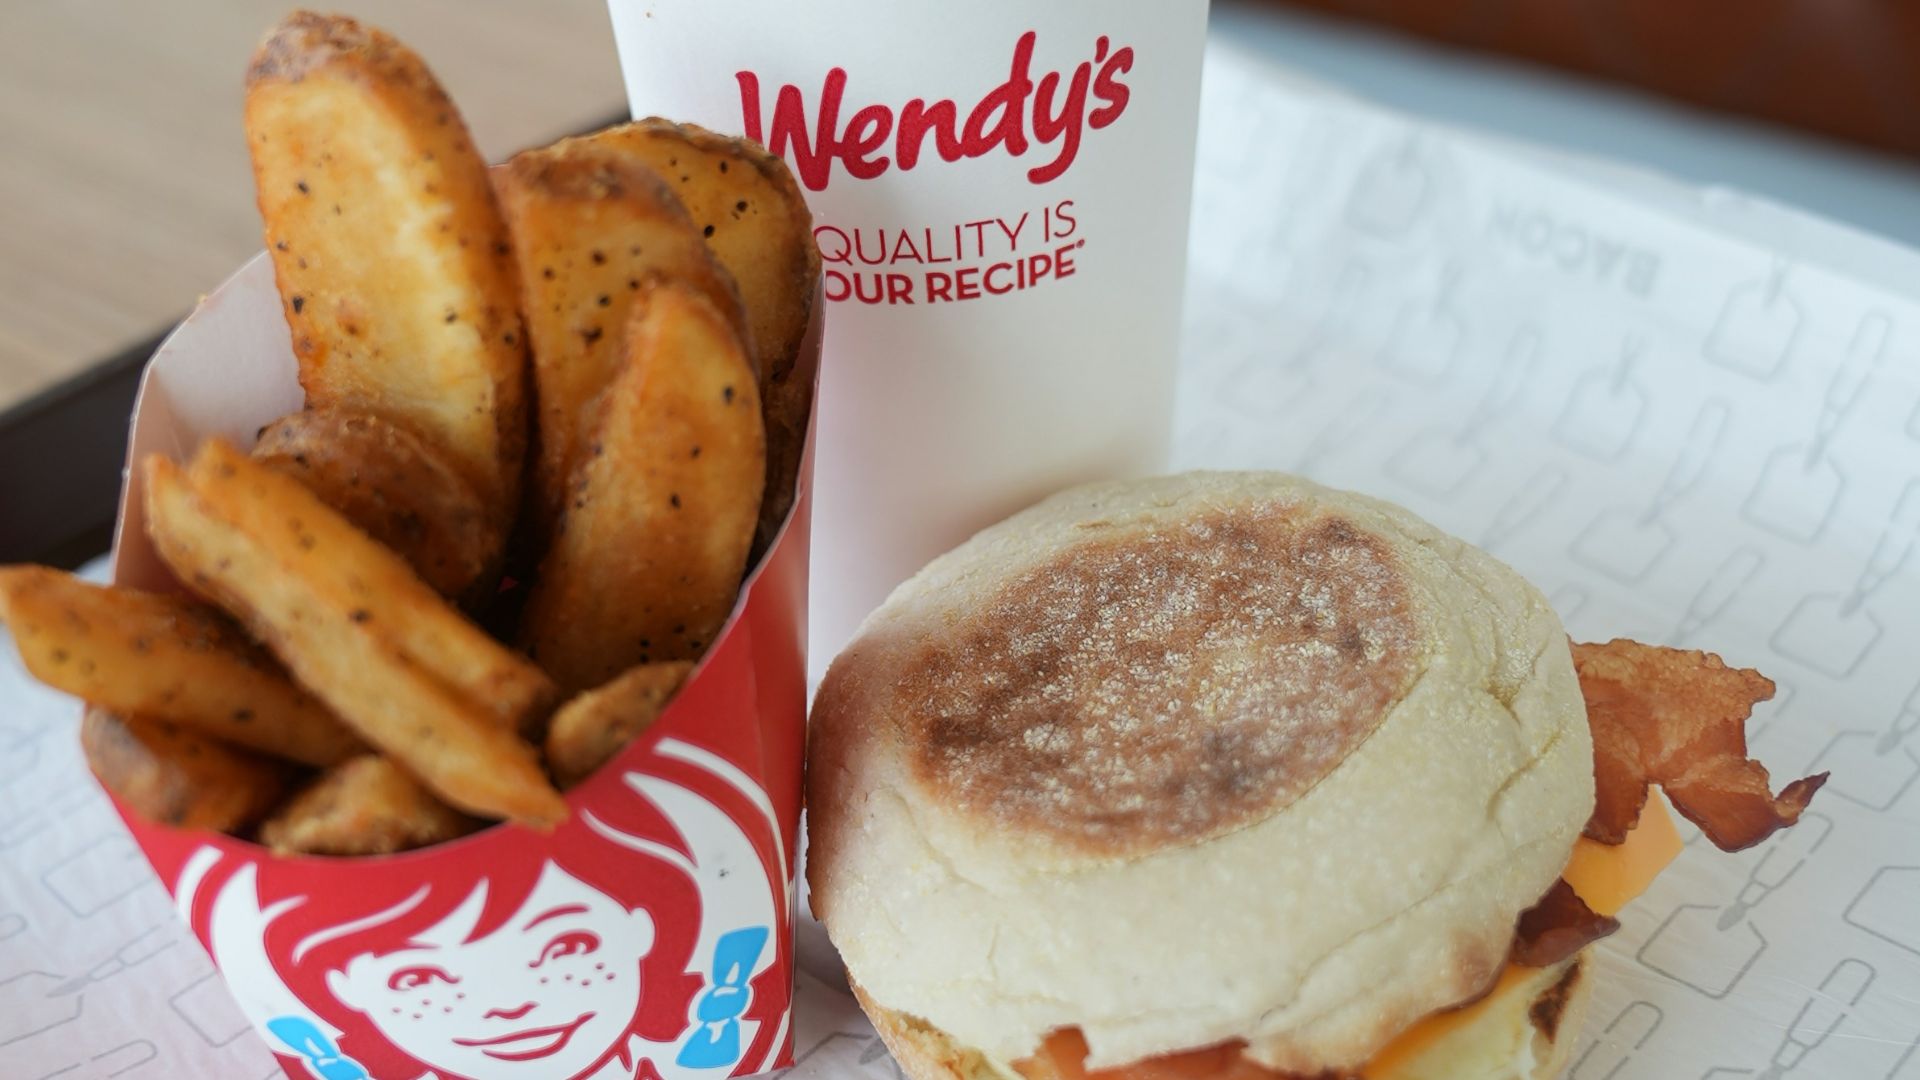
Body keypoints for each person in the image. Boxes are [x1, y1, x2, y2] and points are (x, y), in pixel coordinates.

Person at [179, 749, 787, 1080]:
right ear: (343, 988)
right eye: (416, 978)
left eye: (566, 948)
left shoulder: (702, 1035)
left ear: (640, 928)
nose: (509, 1005)